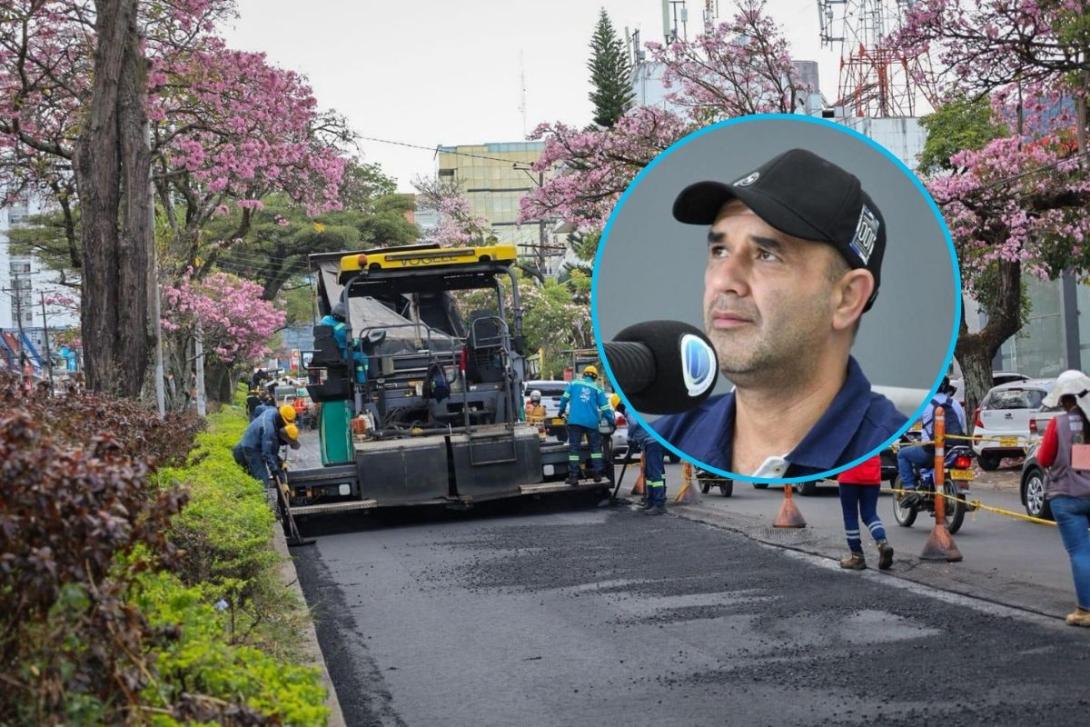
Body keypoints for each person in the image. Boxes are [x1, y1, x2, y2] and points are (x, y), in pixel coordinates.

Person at [651, 148, 906, 479]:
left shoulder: (889, 449)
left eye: (766, 255)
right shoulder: (671, 436)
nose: (724, 281)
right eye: (719, 250)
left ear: (847, 298)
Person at [1034, 369, 1090, 628]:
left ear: (1063, 399)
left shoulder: (1059, 423)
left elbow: (1044, 459)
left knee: (1080, 552)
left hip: (1066, 496)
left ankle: (1085, 610)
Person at [897, 376, 967, 507]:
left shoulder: (925, 404)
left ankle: (910, 490)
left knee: (902, 454)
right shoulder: (955, 404)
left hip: (932, 451)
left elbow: (907, 422)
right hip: (954, 449)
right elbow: (963, 426)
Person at [558, 365, 613, 485]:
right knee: (595, 449)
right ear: (595, 377)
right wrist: (611, 421)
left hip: (575, 421)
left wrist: (561, 411)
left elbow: (564, 399)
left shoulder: (574, 383)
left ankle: (574, 477)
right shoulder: (597, 388)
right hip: (591, 423)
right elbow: (605, 408)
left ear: (584, 374)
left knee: (574, 449)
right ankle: (597, 474)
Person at [836, 455, 893, 570]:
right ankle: (882, 543)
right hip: (872, 472)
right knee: (870, 514)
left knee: (850, 515)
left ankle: (857, 557)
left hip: (849, 471)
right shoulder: (873, 435)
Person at [614, 394, 667, 515]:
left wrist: (630, 437)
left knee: (655, 473)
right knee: (650, 473)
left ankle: (659, 504)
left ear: (619, 406)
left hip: (653, 442)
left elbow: (634, 423)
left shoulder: (629, 408)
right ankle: (651, 500)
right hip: (651, 442)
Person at [233, 403, 298, 487]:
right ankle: (262, 496)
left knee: (251, 474)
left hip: (250, 441)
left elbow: (258, 408)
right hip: (252, 448)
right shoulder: (269, 430)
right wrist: (275, 471)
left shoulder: (271, 411)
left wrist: (279, 462)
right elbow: (267, 454)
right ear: (281, 419)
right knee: (262, 479)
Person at [319, 300, 368, 384]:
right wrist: (359, 341)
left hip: (326, 353)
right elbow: (349, 343)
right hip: (340, 353)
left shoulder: (324, 320)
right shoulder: (342, 328)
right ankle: (362, 384)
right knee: (363, 358)